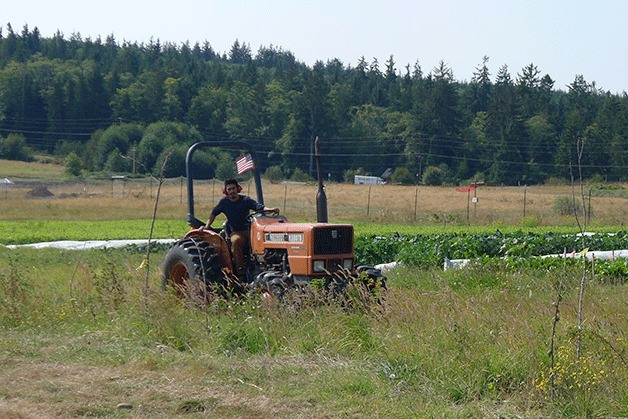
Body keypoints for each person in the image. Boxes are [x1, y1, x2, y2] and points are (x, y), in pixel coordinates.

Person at [200, 178, 279, 278]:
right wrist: (207, 226)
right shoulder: (224, 202)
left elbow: (259, 207)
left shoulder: (246, 200)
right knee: (236, 241)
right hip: (236, 232)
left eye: (233, 188)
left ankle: (269, 267)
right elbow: (214, 213)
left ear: (238, 189)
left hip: (250, 231)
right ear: (226, 191)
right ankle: (240, 272)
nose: (232, 191)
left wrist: (270, 209)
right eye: (229, 189)